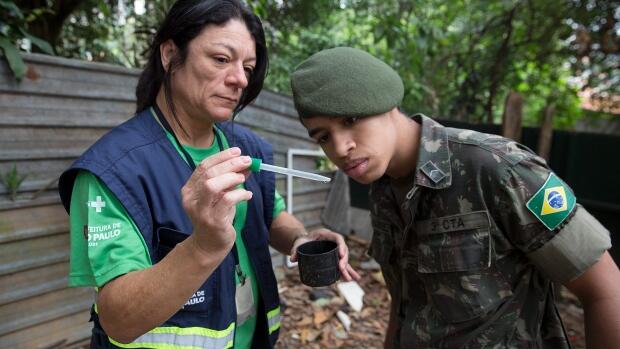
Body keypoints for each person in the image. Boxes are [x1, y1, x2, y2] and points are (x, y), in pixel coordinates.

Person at [57, 2, 359, 348]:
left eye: (248, 67)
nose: (240, 79)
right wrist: (202, 246)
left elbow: (270, 214)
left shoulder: (246, 148)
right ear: (170, 54)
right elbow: (118, 320)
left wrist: (300, 239)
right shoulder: (113, 171)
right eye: (220, 59)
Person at [290, 46, 620, 348]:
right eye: (323, 138)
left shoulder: (497, 168)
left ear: (386, 100)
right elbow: (406, 304)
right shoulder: (383, 188)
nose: (340, 148)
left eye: (350, 120)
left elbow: (606, 290)